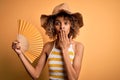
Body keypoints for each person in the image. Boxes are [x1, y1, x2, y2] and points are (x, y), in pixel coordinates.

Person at [12, 3, 84, 80]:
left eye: (66, 23)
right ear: (52, 27)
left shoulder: (78, 47)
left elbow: (73, 79)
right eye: (57, 23)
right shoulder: (48, 47)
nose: (62, 27)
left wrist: (64, 49)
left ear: (71, 25)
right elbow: (35, 75)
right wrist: (20, 54)